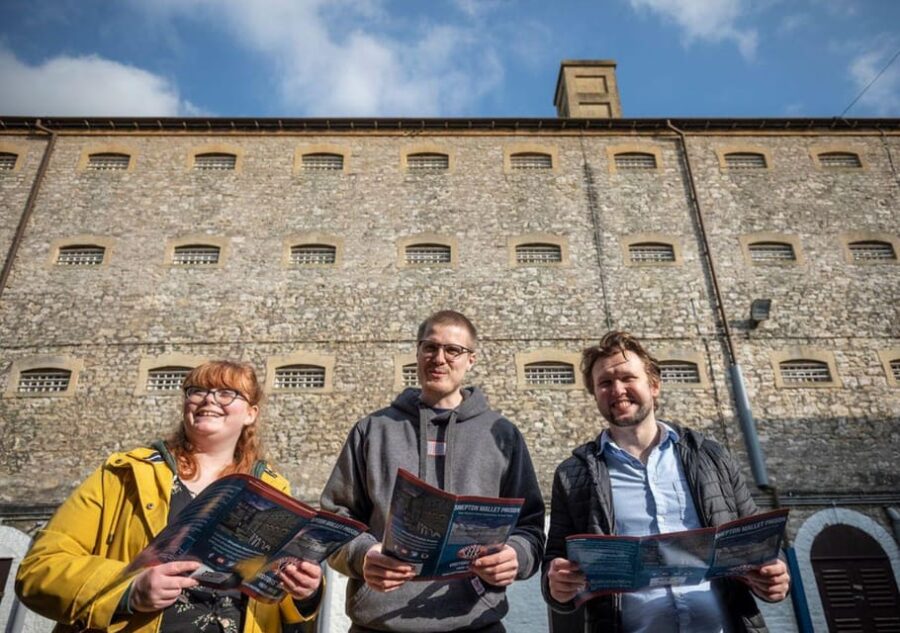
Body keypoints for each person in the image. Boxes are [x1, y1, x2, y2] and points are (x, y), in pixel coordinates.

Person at [16, 360, 322, 633]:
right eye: (197, 390)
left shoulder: (273, 490)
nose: (209, 399)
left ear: (251, 414)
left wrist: (305, 592)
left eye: (227, 393)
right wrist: (129, 590)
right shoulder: (125, 474)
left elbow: (278, 605)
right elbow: (40, 568)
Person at [543, 331, 790, 633]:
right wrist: (555, 585)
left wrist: (775, 574)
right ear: (595, 395)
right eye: (605, 383)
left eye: (627, 378)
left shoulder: (710, 456)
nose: (617, 389)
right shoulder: (573, 474)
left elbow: (757, 539)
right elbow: (555, 561)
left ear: (655, 386)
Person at [320, 310, 546, 633]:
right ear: (417, 352)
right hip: (378, 624)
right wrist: (363, 555)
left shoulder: (502, 435)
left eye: (453, 350)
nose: (439, 358)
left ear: (471, 360)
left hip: (477, 622)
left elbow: (531, 527)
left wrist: (517, 555)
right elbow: (334, 521)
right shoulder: (372, 431)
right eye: (430, 347)